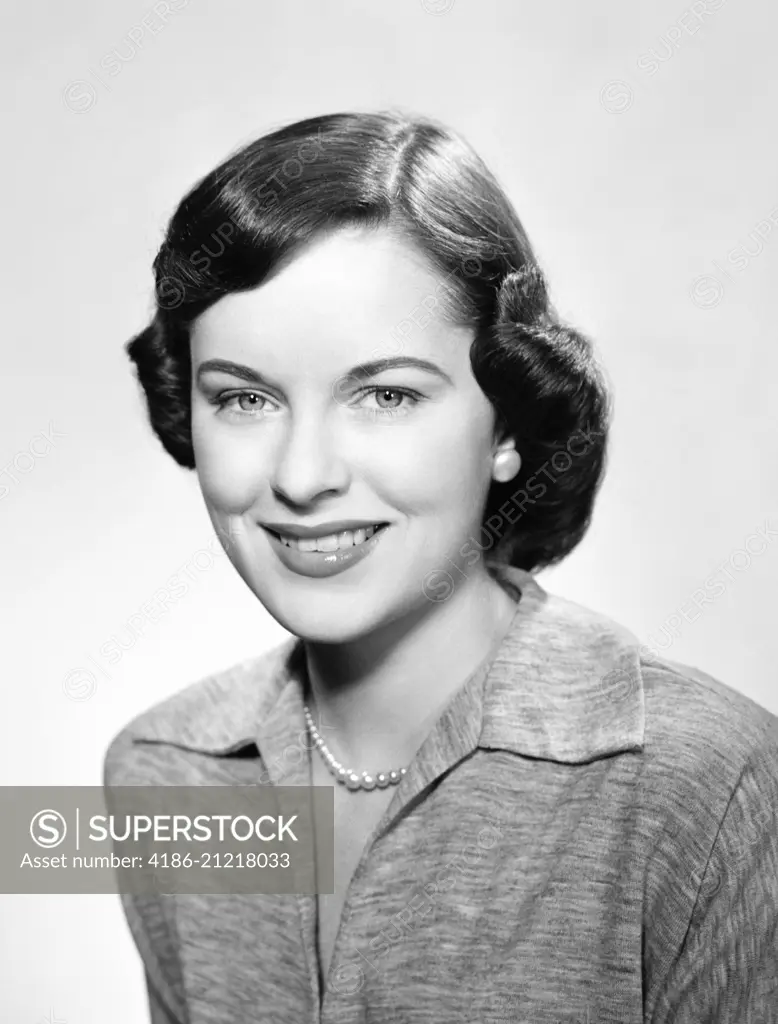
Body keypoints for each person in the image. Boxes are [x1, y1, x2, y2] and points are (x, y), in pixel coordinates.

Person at [104, 110, 778, 1024]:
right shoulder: (164, 773)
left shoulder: (708, 784)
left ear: (504, 423)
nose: (304, 477)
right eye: (245, 397)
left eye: (385, 394)